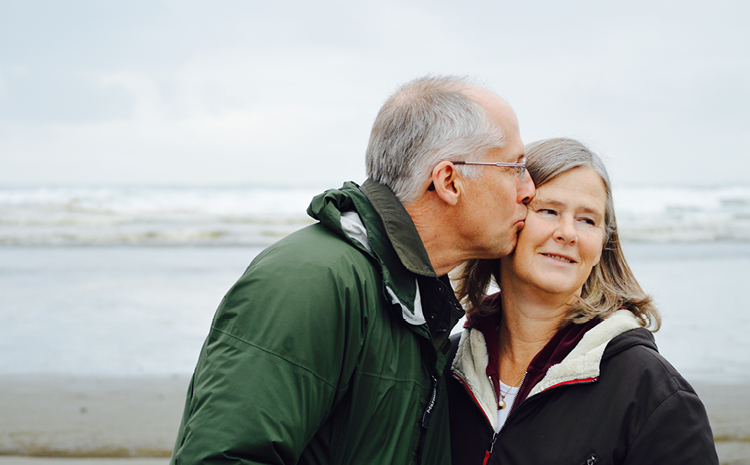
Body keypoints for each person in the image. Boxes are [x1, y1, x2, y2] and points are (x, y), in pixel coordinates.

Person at [169, 75, 535, 465]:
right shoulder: (312, 279)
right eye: (514, 167)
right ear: (448, 181)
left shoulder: (415, 299)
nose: (528, 189)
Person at [446, 138, 718, 465]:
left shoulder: (653, 392)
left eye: (587, 219)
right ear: (509, 218)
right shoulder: (446, 366)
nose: (567, 232)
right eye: (548, 211)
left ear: (604, 243)